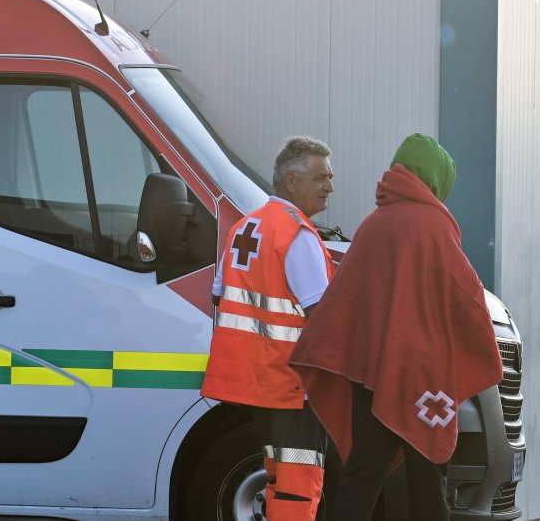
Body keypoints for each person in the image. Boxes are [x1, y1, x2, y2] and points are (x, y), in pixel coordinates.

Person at [289, 133, 503, 521]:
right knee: (428, 479)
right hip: (424, 381)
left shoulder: (374, 224)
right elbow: (468, 297)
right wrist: (483, 352)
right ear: (434, 178)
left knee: (362, 476)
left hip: (369, 378)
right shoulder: (436, 226)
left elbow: (346, 306)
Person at [201, 136, 336, 519]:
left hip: (257, 384)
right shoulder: (297, 235)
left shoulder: (244, 229)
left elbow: (219, 298)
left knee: (276, 477)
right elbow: (322, 318)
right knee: (299, 485)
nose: (330, 187)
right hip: (293, 386)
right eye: (321, 177)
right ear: (292, 181)